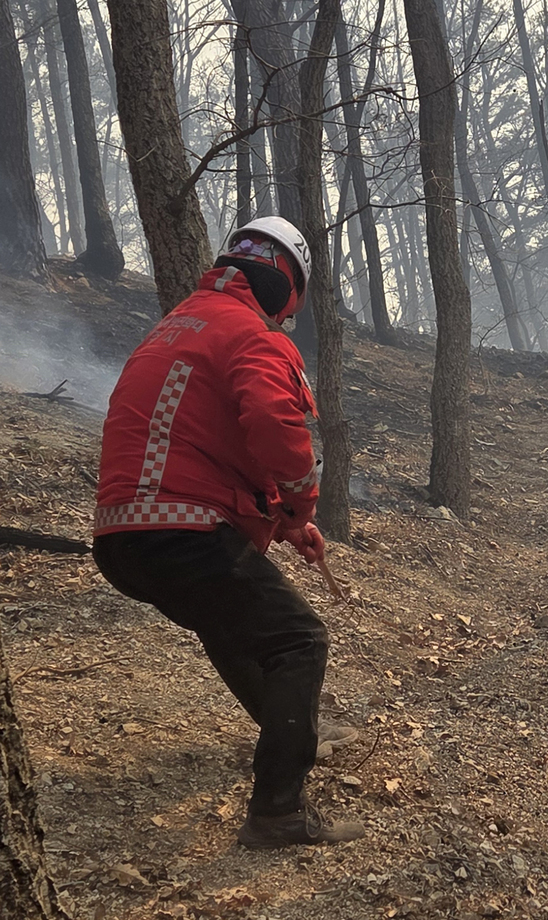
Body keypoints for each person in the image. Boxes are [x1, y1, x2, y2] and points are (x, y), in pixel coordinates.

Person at [92, 218, 363, 850]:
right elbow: (275, 425)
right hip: (180, 529)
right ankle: (278, 812)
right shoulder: (253, 336)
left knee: (230, 624)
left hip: (122, 536)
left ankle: (291, 730)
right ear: (287, 287)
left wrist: (286, 522)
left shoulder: (180, 325)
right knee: (299, 640)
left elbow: (208, 440)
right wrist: (301, 501)